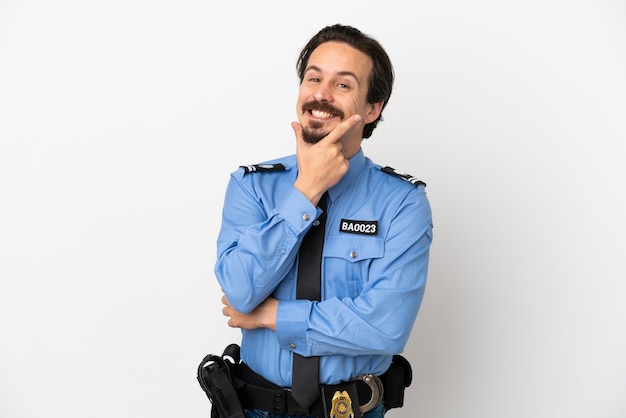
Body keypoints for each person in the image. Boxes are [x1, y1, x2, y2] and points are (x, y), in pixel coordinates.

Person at [214, 24, 433, 418]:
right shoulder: (251, 188)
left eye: (343, 85)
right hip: (253, 409)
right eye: (314, 78)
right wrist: (306, 191)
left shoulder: (403, 203)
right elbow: (240, 291)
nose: (321, 94)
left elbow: (386, 326)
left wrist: (272, 316)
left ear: (372, 108)